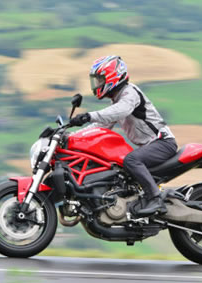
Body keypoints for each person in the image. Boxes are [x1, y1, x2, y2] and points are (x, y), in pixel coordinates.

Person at [69, 55, 177, 216]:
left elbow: (120, 111)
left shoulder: (130, 93)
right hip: (151, 146)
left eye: (100, 79)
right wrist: (71, 137)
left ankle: (156, 199)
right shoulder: (118, 100)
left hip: (163, 143)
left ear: (113, 76)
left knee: (131, 160)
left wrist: (89, 115)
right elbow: (101, 125)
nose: (97, 84)